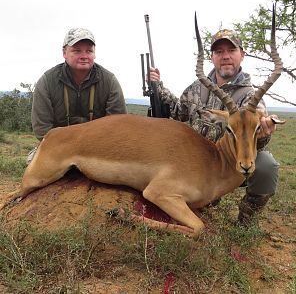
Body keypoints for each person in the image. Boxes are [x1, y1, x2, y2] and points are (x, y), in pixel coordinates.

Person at [149, 29, 279, 226]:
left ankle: (245, 224)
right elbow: (177, 111)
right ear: (212, 57)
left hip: (230, 162)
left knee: (266, 165)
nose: (225, 56)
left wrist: (263, 131)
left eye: (231, 50)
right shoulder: (197, 87)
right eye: (219, 52)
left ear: (241, 54)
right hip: (196, 163)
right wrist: (158, 87)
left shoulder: (250, 96)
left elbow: (257, 130)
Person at [28, 28, 127, 162]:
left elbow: (117, 126)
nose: (84, 56)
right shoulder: (47, 81)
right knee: (34, 165)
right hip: (59, 148)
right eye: (77, 50)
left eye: (89, 51)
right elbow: (42, 129)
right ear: (64, 52)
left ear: (94, 53)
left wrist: (89, 151)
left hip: (98, 150)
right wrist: (68, 151)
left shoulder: (109, 81)